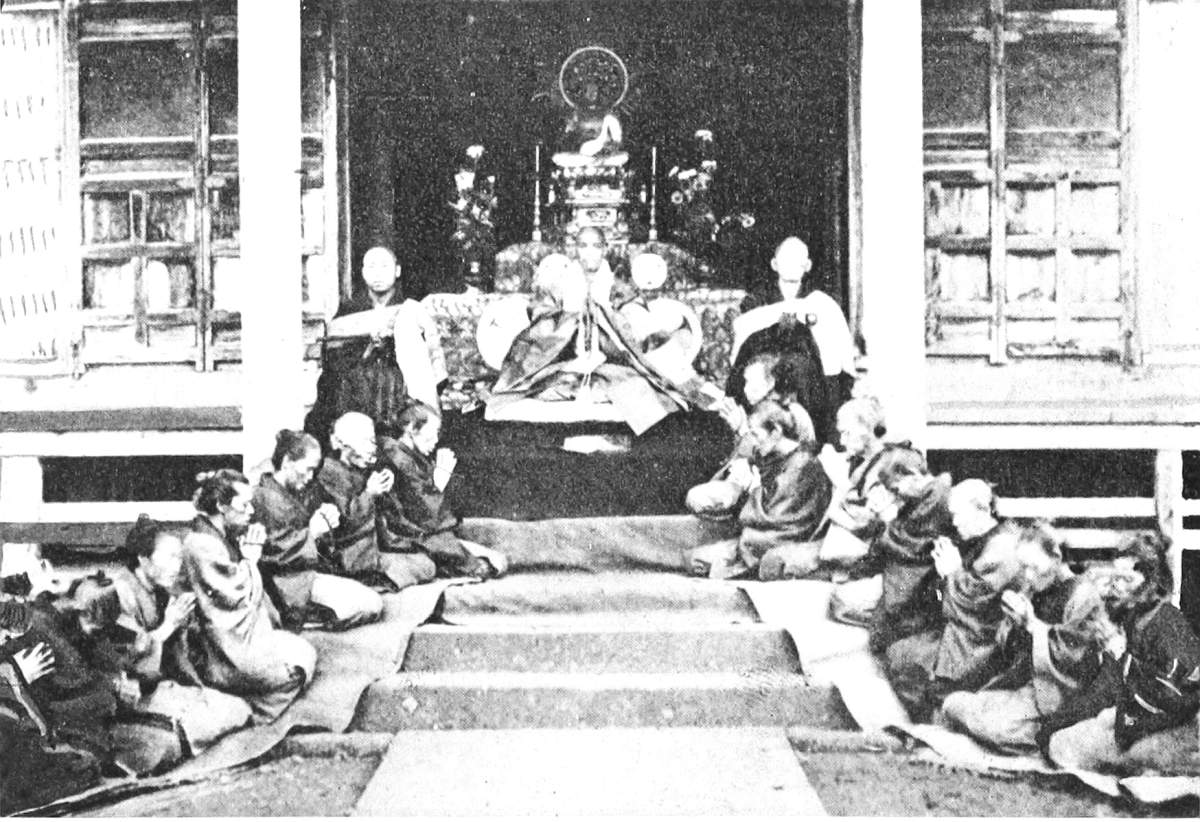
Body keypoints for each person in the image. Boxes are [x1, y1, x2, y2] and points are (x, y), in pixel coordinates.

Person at [489, 227, 710, 435]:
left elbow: (634, 328)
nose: (589, 253)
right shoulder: (561, 283)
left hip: (610, 363)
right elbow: (541, 321)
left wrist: (606, 314)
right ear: (575, 249)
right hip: (566, 363)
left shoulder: (617, 286)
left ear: (605, 248)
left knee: (636, 387)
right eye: (583, 246)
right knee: (549, 386)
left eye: (596, 246)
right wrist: (569, 316)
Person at [1037, 532, 1200, 774]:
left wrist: (1124, 659)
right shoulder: (1131, 620)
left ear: (1151, 580)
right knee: (1060, 742)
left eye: (1126, 579)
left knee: (1078, 749)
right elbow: (1106, 688)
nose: (1116, 586)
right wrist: (1055, 723)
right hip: (1135, 720)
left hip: (1175, 726)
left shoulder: (1167, 622)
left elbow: (1182, 695)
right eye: (1114, 577)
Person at [106, 516, 253, 773]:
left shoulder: (162, 591)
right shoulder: (120, 592)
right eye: (170, 557)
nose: (177, 566)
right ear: (143, 558)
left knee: (238, 709)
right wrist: (167, 627)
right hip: (131, 692)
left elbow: (180, 655)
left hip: (162, 684)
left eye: (179, 558)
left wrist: (183, 627)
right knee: (202, 725)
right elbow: (122, 660)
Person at [886, 521, 1066, 723]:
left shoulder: (1007, 551)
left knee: (907, 660)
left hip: (986, 647)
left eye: (959, 514)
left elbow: (977, 608)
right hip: (986, 638)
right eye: (1025, 568)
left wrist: (952, 573)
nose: (1028, 576)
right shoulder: (1021, 559)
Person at [181, 469, 317, 723]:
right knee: (294, 672)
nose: (251, 512)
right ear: (221, 506)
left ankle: (247, 701)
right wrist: (251, 561)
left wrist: (247, 560)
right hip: (221, 650)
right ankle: (254, 709)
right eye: (244, 505)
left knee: (304, 652)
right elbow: (237, 600)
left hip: (237, 637)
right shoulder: (201, 545)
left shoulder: (220, 536)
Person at [938, 567, 1109, 753]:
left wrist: (1032, 625)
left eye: (1034, 566)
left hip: (1058, 695)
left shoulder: (1083, 596)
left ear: (1056, 559)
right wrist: (1013, 624)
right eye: (1025, 566)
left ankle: (1044, 734)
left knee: (996, 726)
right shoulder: (1037, 585)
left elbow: (1073, 659)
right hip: (1029, 688)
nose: (1028, 573)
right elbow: (1012, 652)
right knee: (955, 704)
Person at [305, 245, 447, 443]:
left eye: (384, 266)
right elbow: (334, 355)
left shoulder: (410, 310)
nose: (378, 274)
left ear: (397, 271)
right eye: (371, 267)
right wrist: (367, 348)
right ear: (363, 272)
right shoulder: (350, 311)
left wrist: (391, 344)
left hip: (399, 389)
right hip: (358, 389)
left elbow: (428, 357)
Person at [729, 237, 857, 445]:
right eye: (786, 259)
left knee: (804, 370)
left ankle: (816, 441)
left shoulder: (818, 300)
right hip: (765, 360)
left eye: (798, 260)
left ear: (807, 266)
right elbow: (747, 334)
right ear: (774, 264)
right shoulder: (757, 299)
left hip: (806, 366)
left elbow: (832, 339)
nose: (792, 265)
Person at [253, 430, 384, 630]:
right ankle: (297, 620)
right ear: (287, 461)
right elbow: (273, 554)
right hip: (285, 585)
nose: (310, 477)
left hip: (306, 574)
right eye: (307, 469)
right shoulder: (263, 497)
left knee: (372, 601)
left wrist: (326, 525)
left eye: (314, 470)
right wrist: (313, 532)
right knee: (369, 605)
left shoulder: (295, 490)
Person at [688, 400, 832, 581]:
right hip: (766, 533)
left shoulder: (801, 464)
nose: (754, 442)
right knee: (697, 558)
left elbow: (778, 517)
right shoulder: (778, 455)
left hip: (787, 536)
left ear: (776, 432)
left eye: (756, 434)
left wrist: (753, 488)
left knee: (707, 559)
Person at [830, 450, 955, 653]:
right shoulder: (925, 495)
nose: (896, 494)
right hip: (906, 576)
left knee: (842, 601)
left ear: (913, 474)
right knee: (841, 597)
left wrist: (888, 519)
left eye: (896, 488)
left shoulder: (936, 498)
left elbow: (911, 547)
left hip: (919, 582)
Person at [377, 402, 509, 580]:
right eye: (432, 433)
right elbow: (424, 516)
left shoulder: (408, 454)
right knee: (488, 565)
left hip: (422, 529)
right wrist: (439, 482)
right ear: (411, 429)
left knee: (494, 560)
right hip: (405, 534)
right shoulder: (399, 458)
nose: (436, 440)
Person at [315, 412, 437, 591]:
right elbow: (345, 523)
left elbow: (385, 514)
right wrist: (370, 492)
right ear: (342, 445)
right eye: (366, 442)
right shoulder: (329, 472)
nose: (372, 448)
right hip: (350, 555)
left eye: (373, 441)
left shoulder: (358, 469)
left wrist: (384, 489)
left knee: (427, 562)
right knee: (424, 566)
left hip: (373, 547)